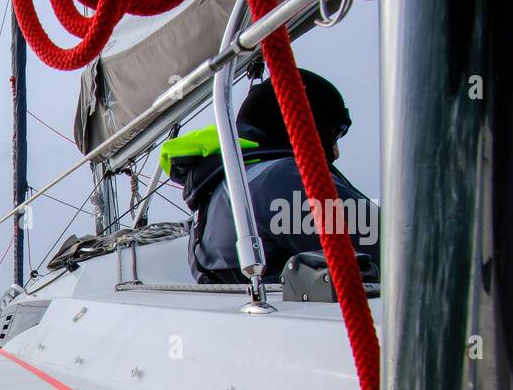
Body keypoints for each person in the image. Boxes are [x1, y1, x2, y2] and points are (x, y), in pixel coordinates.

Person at [159, 69, 380, 284]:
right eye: (333, 135)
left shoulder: (223, 191)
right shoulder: (279, 182)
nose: (336, 153)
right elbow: (394, 248)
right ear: (299, 125)